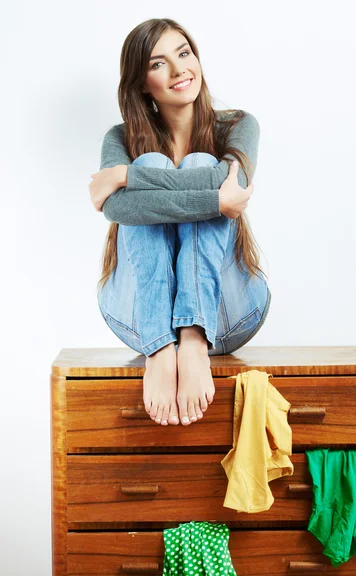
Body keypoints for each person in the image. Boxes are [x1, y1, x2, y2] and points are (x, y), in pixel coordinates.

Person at [89, 18, 272, 429]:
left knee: (201, 162)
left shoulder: (238, 125)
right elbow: (119, 211)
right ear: (140, 82)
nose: (178, 70)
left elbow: (229, 183)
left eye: (184, 53)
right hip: (139, 314)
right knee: (156, 160)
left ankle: (192, 338)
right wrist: (212, 200)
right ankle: (160, 349)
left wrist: (127, 177)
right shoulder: (120, 138)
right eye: (158, 63)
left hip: (228, 311)